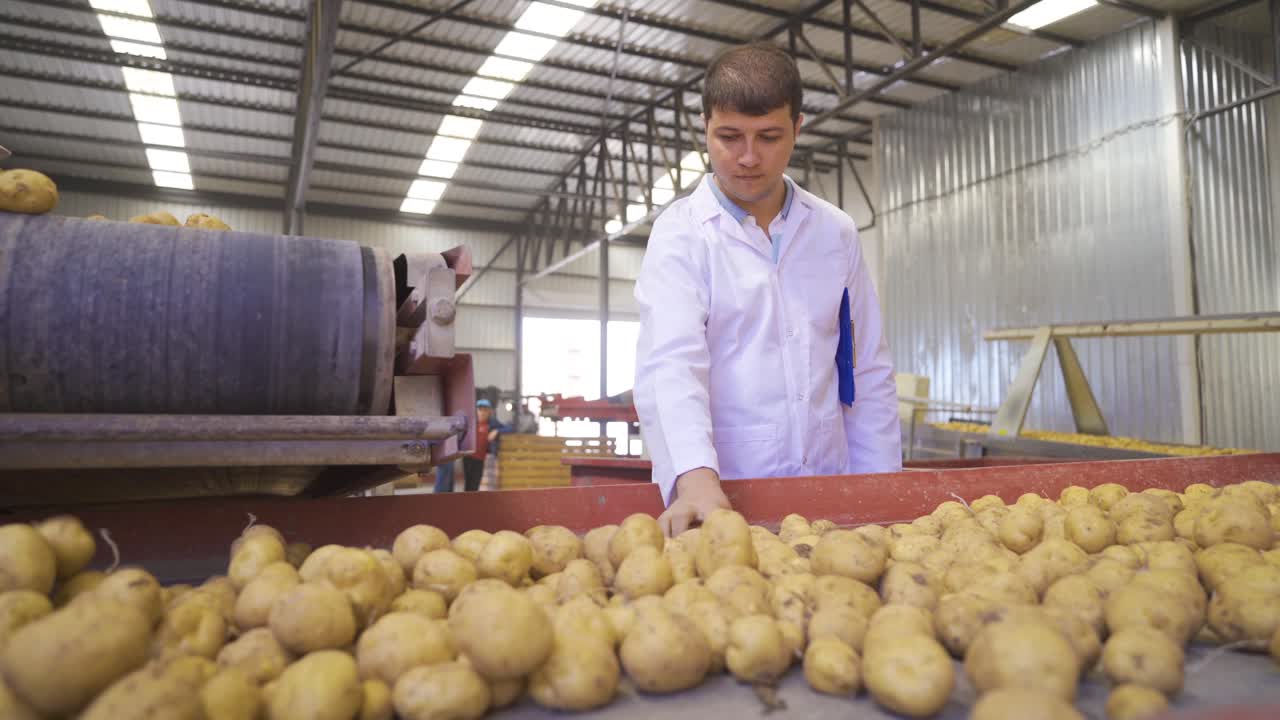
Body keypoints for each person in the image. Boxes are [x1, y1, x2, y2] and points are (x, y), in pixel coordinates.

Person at [633, 42, 901, 537]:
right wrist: (694, 478)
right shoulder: (682, 234)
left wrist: (880, 488)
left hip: (830, 494)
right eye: (729, 136)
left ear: (798, 128)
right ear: (705, 127)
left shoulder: (835, 233)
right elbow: (670, 364)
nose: (749, 157)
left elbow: (866, 372)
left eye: (770, 136)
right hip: (725, 499)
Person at [461, 399, 504, 492]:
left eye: (485, 410)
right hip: (468, 458)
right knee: (467, 484)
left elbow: (509, 427)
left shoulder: (492, 424)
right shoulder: (470, 423)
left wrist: (497, 431)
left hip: (479, 460)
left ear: (489, 412)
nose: (482, 413)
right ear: (476, 411)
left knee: (475, 485)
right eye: (480, 410)